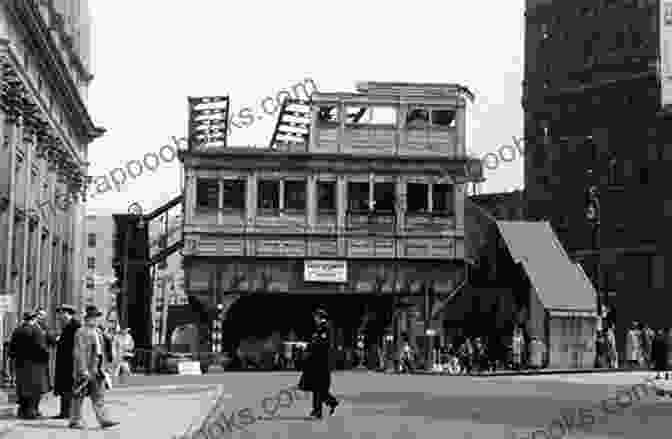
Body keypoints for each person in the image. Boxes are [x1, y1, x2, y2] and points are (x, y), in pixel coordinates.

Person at [69, 305, 119, 429]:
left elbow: (103, 350)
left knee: (99, 396)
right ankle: (75, 420)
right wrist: (83, 369)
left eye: (97, 318)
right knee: (78, 396)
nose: (96, 320)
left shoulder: (98, 331)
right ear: (87, 319)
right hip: (86, 370)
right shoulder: (81, 332)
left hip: (98, 369)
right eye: (94, 318)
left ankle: (104, 419)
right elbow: (79, 352)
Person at [8, 312, 50, 419]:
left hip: (20, 364)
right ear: (34, 319)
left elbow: (11, 349)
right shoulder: (36, 330)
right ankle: (32, 411)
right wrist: (45, 358)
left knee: (22, 388)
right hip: (35, 364)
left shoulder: (18, 330)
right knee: (35, 389)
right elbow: (41, 347)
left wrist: (14, 359)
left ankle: (22, 411)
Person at [299, 308, 339, 419]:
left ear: (320, 317)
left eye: (316, 317)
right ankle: (322, 408)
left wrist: (308, 347)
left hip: (321, 363)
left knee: (319, 388)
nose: (314, 319)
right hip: (317, 362)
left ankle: (322, 409)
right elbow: (316, 343)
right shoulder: (320, 329)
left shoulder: (325, 328)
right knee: (318, 388)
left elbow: (321, 344)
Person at [53, 304, 81, 419]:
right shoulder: (67, 325)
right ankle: (64, 412)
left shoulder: (75, 326)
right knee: (64, 388)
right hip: (64, 362)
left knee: (69, 388)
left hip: (71, 362)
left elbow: (76, 345)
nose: (59, 316)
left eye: (61, 313)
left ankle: (69, 412)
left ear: (68, 314)